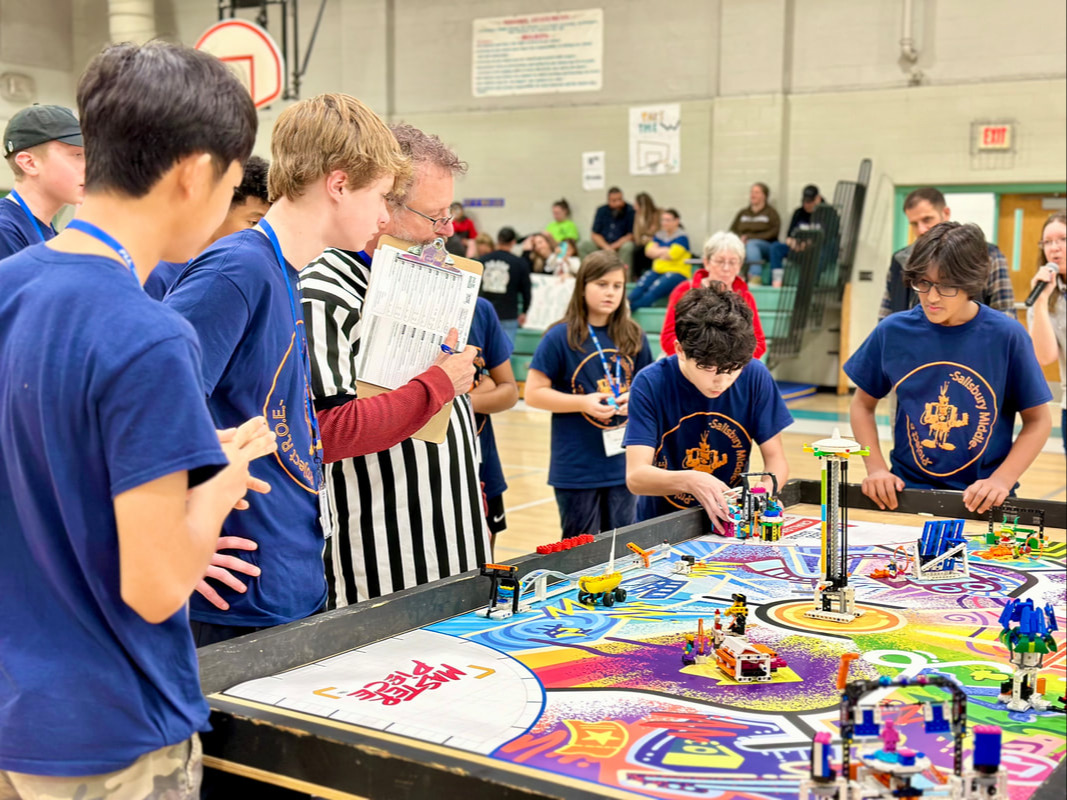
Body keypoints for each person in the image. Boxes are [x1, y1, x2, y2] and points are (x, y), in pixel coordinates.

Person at [0, 41, 274, 798]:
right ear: (195, 174)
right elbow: (155, 586)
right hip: (109, 728)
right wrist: (220, 481)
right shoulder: (148, 330)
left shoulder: (9, 285)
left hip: (16, 706)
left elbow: (43, 450)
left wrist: (180, 451)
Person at [163, 94, 410, 644]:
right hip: (231, 603)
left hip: (285, 582)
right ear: (340, 184)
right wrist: (169, 539)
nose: (386, 216)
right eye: (382, 197)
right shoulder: (238, 268)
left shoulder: (284, 271)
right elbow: (135, 411)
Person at [300, 123, 489, 608]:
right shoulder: (324, 290)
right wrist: (439, 384)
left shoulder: (423, 274)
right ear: (383, 205)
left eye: (450, 215)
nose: (446, 231)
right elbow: (326, 432)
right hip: (382, 557)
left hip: (455, 539)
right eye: (434, 216)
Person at [846, 222, 1052, 514]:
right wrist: (876, 468)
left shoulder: (1006, 335)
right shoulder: (893, 331)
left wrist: (1002, 480)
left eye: (946, 286)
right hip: (907, 493)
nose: (931, 297)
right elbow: (861, 406)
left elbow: (1039, 420)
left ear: (970, 282)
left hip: (985, 498)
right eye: (923, 283)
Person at [625, 284, 792, 527]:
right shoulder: (651, 382)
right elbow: (636, 477)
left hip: (729, 522)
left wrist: (765, 490)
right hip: (661, 526)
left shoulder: (755, 375)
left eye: (733, 370)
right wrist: (691, 480)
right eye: (708, 368)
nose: (721, 382)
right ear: (680, 350)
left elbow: (776, 460)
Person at [525, 250, 654, 538]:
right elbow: (533, 394)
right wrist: (582, 402)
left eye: (617, 286)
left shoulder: (633, 335)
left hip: (625, 464)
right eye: (601, 284)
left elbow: (649, 391)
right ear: (582, 286)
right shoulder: (560, 336)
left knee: (623, 550)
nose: (610, 292)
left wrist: (633, 399)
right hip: (577, 468)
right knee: (579, 554)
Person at [143, 154, 271, 300]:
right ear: (221, 207)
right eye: (254, 222)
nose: (260, 233)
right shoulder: (158, 276)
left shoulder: (247, 278)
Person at [879, 187, 1014, 320]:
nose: (921, 230)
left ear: (946, 213)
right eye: (914, 224)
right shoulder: (900, 259)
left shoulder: (988, 255)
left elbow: (1005, 312)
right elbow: (885, 313)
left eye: (927, 220)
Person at [660, 231, 767, 359]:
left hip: (731, 368)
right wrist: (701, 361)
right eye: (720, 261)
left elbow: (759, 344)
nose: (726, 268)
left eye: (733, 262)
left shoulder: (745, 297)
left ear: (740, 265)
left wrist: (728, 363)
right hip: (688, 364)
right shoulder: (684, 290)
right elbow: (668, 338)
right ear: (706, 262)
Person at [467, 297, 519, 551]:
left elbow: (509, 391)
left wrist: (463, 402)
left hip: (482, 464)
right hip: (425, 472)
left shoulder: (480, 309)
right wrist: (483, 391)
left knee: (485, 568)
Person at [0, 104, 84, 259]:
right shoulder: (4, 231)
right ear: (29, 164)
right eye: (78, 155)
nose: (91, 167)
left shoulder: (47, 229)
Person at [1026, 212, 1066, 453]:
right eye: (1048, 242)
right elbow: (1044, 357)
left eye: (1062, 239)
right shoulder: (1046, 295)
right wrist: (1040, 301)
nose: (1055, 248)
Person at [628, 207, 692, 309]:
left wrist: (657, 251)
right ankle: (625, 304)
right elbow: (648, 252)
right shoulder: (659, 235)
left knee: (653, 291)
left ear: (676, 221)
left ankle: (630, 308)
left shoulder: (682, 237)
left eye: (668, 220)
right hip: (658, 271)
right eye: (663, 220)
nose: (664, 223)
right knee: (640, 285)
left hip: (677, 273)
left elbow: (672, 255)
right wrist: (665, 250)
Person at [480, 225, 532, 341]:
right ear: (513, 242)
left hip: (484, 313)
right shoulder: (519, 263)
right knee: (505, 353)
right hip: (508, 314)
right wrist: (525, 311)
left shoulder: (483, 260)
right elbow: (526, 291)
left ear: (498, 240)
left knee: (481, 353)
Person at [729, 182, 780, 283]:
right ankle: (735, 277)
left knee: (752, 245)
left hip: (765, 245)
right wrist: (740, 238)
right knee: (730, 245)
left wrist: (751, 238)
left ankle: (755, 277)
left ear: (764, 196)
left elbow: (774, 232)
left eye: (756, 192)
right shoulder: (743, 213)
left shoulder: (771, 213)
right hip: (743, 243)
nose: (753, 195)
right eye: (752, 192)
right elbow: (732, 230)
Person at [768, 183, 821, 274]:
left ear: (817, 199)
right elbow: (790, 235)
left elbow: (829, 238)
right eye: (805, 202)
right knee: (776, 247)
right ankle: (777, 278)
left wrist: (808, 244)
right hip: (797, 247)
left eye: (809, 202)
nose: (806, 205)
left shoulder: (828, 213)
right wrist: (793, 243)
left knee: (820, 253)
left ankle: (813, 281)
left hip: (816, 249)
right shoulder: (798, 213)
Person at [590, 186, 635, 265]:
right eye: (614, 201)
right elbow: (595, 234)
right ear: (608, 201)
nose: (618, 203)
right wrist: (606, 247)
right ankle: (588, 275)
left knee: (628, 246)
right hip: (604, 245)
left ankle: (625, 276)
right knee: (584, 245)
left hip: (620, 245)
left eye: (620, 199)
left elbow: (631, 235)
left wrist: (613, 247)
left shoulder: (630, 210)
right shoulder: (601, 210)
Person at [631, 191, 659, 281]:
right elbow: (638, 237)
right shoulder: (637, 216)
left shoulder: (658, 214)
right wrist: (648, 237)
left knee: (648, 250)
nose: (634, 207)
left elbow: (659, 234)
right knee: (637, 250)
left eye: (636, 205)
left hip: (658, 244)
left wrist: (647, 237)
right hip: (643, 245)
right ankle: (637, 277)